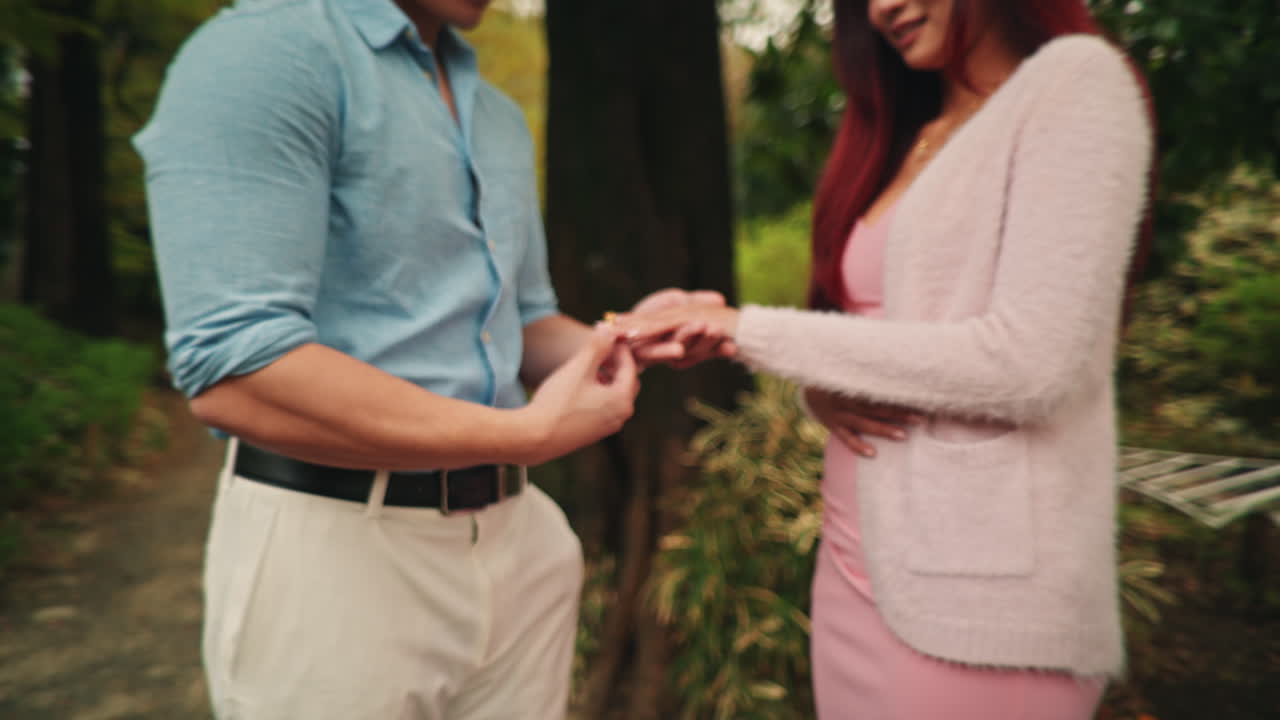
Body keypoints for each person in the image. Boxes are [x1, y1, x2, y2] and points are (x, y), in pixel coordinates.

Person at [134, 0, 723, 717]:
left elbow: (522, 324)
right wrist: (525, 436)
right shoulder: (264, 54)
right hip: (338, 557)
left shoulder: (495, 111)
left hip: (520, 550)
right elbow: (235, 371)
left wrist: (629, 337)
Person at [614, 0, 1155, 717]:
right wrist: (818, 391)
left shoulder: (1076, 83)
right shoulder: (910, 129)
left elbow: (1035, 363)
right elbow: (883, 334)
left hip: (983, 607)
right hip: (855, 566)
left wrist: (745, 330)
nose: (881, 8)